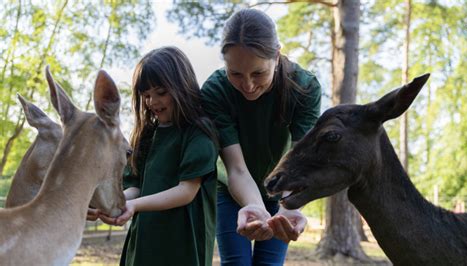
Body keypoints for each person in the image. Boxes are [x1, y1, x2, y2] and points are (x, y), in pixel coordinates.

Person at [200, 8, 322, 265]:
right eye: (235, 73)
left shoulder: (305, 87)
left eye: (258, 73)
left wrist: (289, 208)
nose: (248, 85)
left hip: (282, 189)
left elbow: (299, 163)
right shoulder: (215, 91)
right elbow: (236, 168)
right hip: (231, 190)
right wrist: (254, 206)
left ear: (276, 56)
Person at [99, 46, 219, 266]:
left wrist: (135, 206)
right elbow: (136, 186)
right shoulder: (147, 135)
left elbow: (186, 191)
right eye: (146, 95)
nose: (152, 102)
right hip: (146, 240)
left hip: (183, 245)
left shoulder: (198, 133)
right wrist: (112, 203)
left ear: (182, 86)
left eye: (161, 92)